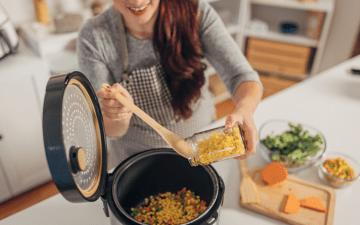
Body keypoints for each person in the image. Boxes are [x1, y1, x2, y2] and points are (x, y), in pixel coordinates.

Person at [77, 0, 263, 169]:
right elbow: (109, 128)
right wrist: (119, 116)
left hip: (202, 147)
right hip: (138, 160)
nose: (136, 1)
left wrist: (245, 107)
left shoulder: (195, 12)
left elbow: (241, 75)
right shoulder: (93, 36)